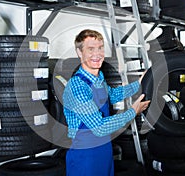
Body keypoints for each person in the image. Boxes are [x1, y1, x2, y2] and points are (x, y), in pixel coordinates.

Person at [63, 29, 150, 176]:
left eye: (100, 48)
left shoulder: (99, 78)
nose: (97, 54)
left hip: (104, 151)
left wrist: (139, 84)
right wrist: (133, 112)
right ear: (79, 52)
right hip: (85, 157)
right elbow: (99, 128)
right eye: (90, 49)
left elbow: (112, 95)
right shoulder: (77, 86)